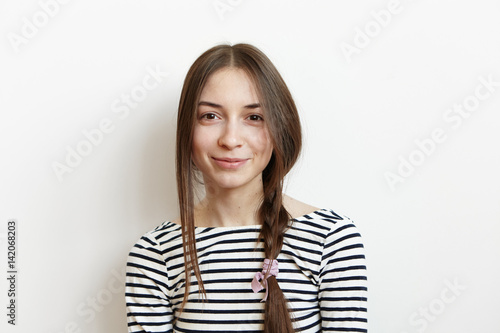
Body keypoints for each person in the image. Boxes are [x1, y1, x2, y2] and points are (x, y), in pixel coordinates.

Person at [125, 43, 367, 333]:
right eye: (210, 116)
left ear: (280, 129)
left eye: (254, 117)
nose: (231, 139)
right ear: (187, 131)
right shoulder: (155, 254)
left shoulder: (332, 239)